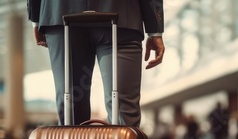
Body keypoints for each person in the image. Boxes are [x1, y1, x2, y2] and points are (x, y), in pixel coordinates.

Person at [27, 0, 165, 126]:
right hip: (123, 13)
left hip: (59, 11)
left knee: (70, 108)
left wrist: (36, 17)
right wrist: (155, 29)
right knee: (122, 110)